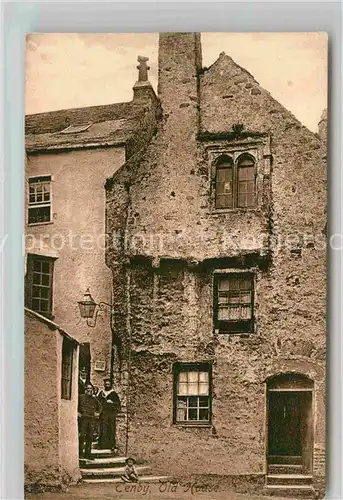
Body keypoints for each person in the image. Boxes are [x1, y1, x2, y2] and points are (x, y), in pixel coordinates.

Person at [78, 383, 101, 460]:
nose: (89, 390)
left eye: (91, 389)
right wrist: (77, 412)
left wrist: (97, 413)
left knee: (90, 437)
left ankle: (88, 454)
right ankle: (80, 453)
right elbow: (76, 405)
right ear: (85, 390)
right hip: (83, 419)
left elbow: (100, 407)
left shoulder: (94, 399)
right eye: (88, 389)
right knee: (82, 436)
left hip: (91, 419)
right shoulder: (81, 397)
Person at [97, 379, 121, 451]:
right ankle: (102, 445)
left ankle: (111, 445)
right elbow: (97, 402)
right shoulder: (101, 393)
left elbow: (118, 404)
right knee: (103, 428)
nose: (107, 385)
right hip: (103, 413)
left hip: (111, 414)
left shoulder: (113, 394)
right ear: (104, 385)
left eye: (108, 384)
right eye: (106, 384)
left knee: (111, 429)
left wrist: (112, 402)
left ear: (110, 385)